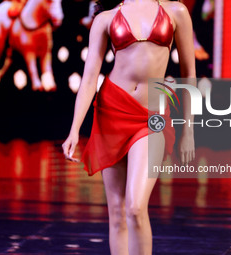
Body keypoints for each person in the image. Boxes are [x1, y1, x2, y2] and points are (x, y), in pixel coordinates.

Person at [62, 0, 196, 254]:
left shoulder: (176, 11)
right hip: (112, 111)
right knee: (117, 212)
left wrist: (188, 129)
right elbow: (90, 78)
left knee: (135, 207)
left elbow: (189, 73)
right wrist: (74, 129)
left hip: (152, 116)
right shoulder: (106, 18)